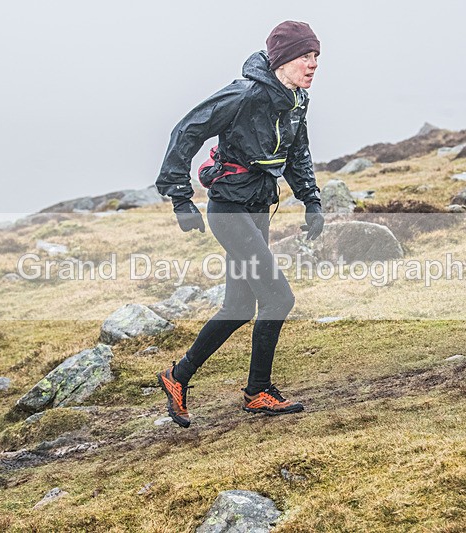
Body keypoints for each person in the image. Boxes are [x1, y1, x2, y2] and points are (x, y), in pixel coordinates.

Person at [154, 21, 324, 428]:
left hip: (257, 207)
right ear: (283, 59)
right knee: (279, 298)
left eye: (317, 56)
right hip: (229, 211)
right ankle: (258, 391)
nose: (314, 64)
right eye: (306, 56)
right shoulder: (245, 93)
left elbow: (298, 151)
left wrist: (311, 199)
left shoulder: (296, 99)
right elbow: (187, 131)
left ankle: (176, 378)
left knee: (238, 306)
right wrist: (180, 199)